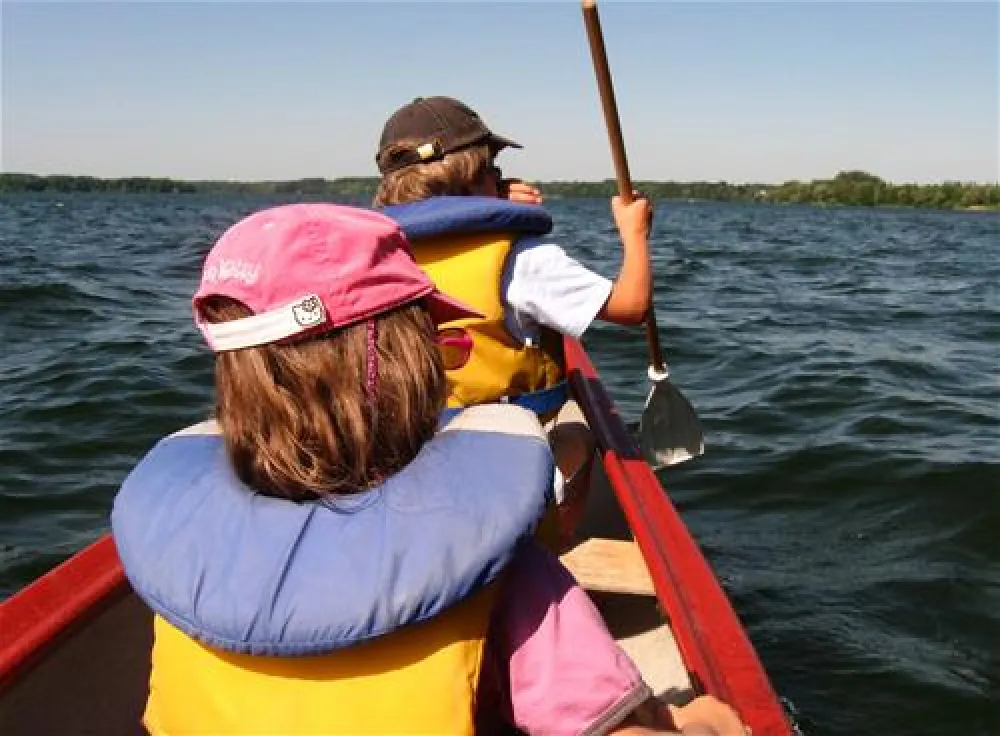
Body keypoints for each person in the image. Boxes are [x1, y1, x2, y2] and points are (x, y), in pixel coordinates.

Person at [110, 203, 745, 736]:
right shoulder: (505, 573)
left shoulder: (188, 567)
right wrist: (704, 724)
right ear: (405, 369)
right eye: (441, 342)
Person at [373, 95, 654, 547]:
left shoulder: (374, 255)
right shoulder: (521, 257)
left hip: (407, 453)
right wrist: (634, 234)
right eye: (494, 169)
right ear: (469, 178)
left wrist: (490, 198)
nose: (504, 179)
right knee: (581, 423)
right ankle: (551, 537)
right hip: (501, 467)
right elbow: (631, 306)